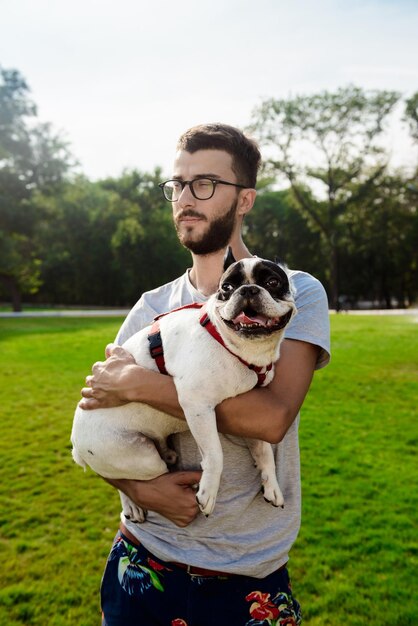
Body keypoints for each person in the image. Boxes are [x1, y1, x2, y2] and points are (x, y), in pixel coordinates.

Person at [79, 123, 330, 626]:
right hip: (142, 557)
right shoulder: (152, 307)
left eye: (206, 184)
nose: (186, 198)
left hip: (246, 570)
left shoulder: (294, 292)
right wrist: (137, 489)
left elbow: (271, 418)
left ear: (245, 200)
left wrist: (139, 384)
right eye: (178, 184)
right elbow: (92, 422)